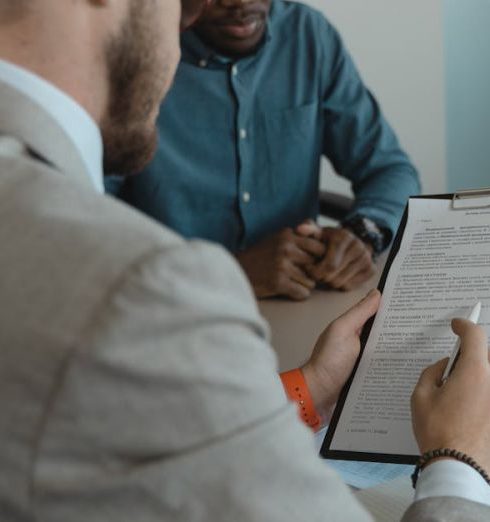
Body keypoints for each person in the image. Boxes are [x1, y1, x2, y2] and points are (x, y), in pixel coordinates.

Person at [0, 1, 489, 521]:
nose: (184, 20)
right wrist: (457, 456)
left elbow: (172, 428)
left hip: (281, 348)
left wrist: (313, 388)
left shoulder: (307, 36)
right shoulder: (141, 287)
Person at [105, 0, 421, 301]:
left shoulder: (307, 34)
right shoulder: (139, 52)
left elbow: (390, 169)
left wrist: (363, 234)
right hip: (174, 307)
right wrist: (230, 272)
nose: (242, 3)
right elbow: (88, 216)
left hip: (302, 300)